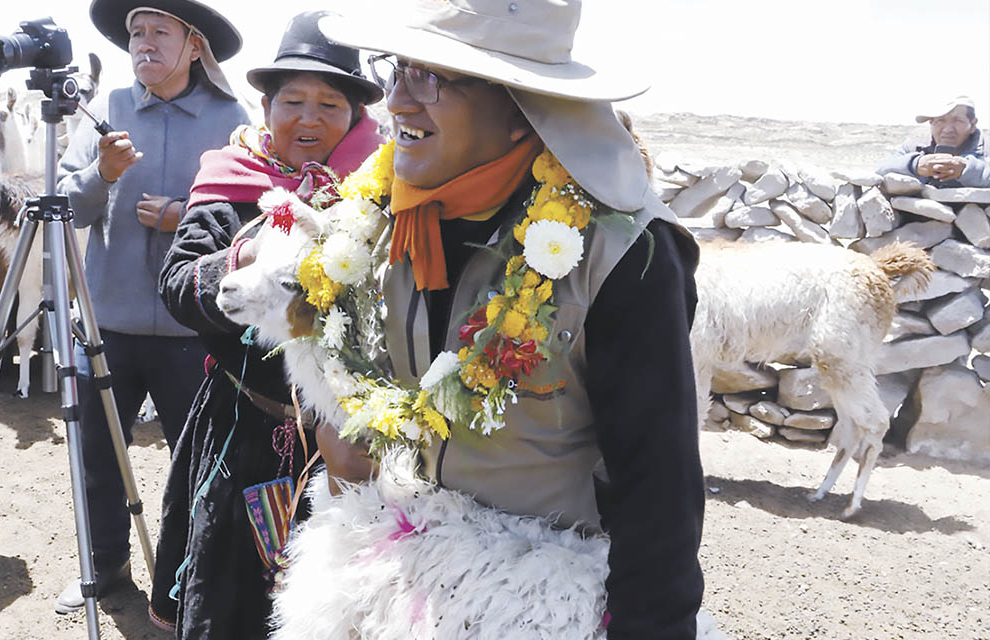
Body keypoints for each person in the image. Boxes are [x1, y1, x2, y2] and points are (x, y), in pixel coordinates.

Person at [317, 1, 706, 638]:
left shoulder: (622, 254)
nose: (396, 101)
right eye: (397, 69)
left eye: (430, 76)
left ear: (522, 106)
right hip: (406, 582)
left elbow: (656, 484)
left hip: (536, 604)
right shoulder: (386, 218)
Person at [153, 11, 384, 636]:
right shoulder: (231, 183)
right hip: (246, 430)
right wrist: (247, 259)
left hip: (358, 451)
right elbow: (177, 287)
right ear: (266, 104)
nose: (309, 119)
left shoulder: (382, 191)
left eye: (330, 103)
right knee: (233, 605)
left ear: (356, 113)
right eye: (294, 101)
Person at [53, 0, 249, 613]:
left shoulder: (230, 116)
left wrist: (182, 215)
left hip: (198, 331)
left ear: (195, 46)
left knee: (195, 464)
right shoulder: (104, 111)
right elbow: (63, 207)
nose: (143, 41)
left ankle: (188, 582)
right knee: (97, 459)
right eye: (136, 31)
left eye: (159, 30)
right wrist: (101, 175)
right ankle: (105, 568)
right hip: (107, 323)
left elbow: (255, 215)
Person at [877, 96, 989, 188]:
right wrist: (915, 165)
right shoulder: (913, 147)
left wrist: (967, 169)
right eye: (940, 121)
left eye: (957, 120)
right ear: (931, 123)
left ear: (972, 125)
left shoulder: (986, 149)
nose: (947, 129)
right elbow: (881, 170)